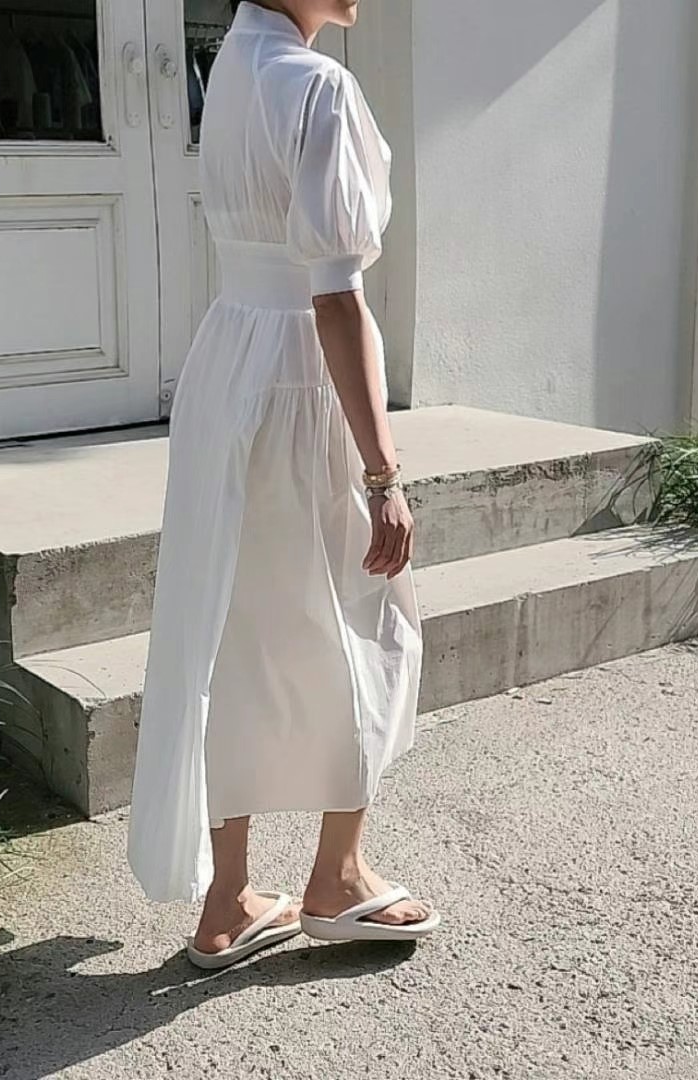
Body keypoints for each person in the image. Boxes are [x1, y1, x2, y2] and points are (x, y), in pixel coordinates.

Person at [127, 0, 439, 969]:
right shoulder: (317, 86)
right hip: (303, 377)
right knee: (372, 615)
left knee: (234, 625)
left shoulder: (229, 67)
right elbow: (333, 296)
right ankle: (336, 878)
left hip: (229, 364)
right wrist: (382, 473)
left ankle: (226, 901)